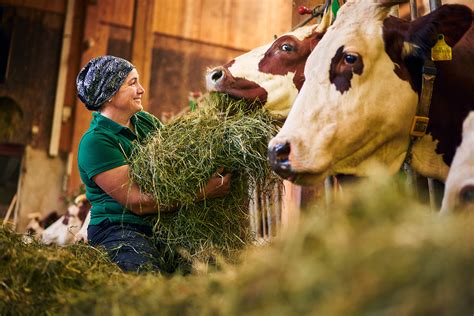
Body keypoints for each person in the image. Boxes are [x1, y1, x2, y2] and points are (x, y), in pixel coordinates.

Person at [76, 55, 231, 273]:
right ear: (109, 94)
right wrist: (204, 191)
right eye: (132, 83)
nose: (141, 90)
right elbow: (139, 202)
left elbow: (176, 158)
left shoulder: (144, 121)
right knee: (146, 274)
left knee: (207, 268)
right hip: (119, 228)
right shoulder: (96, 142)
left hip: (160, 223)